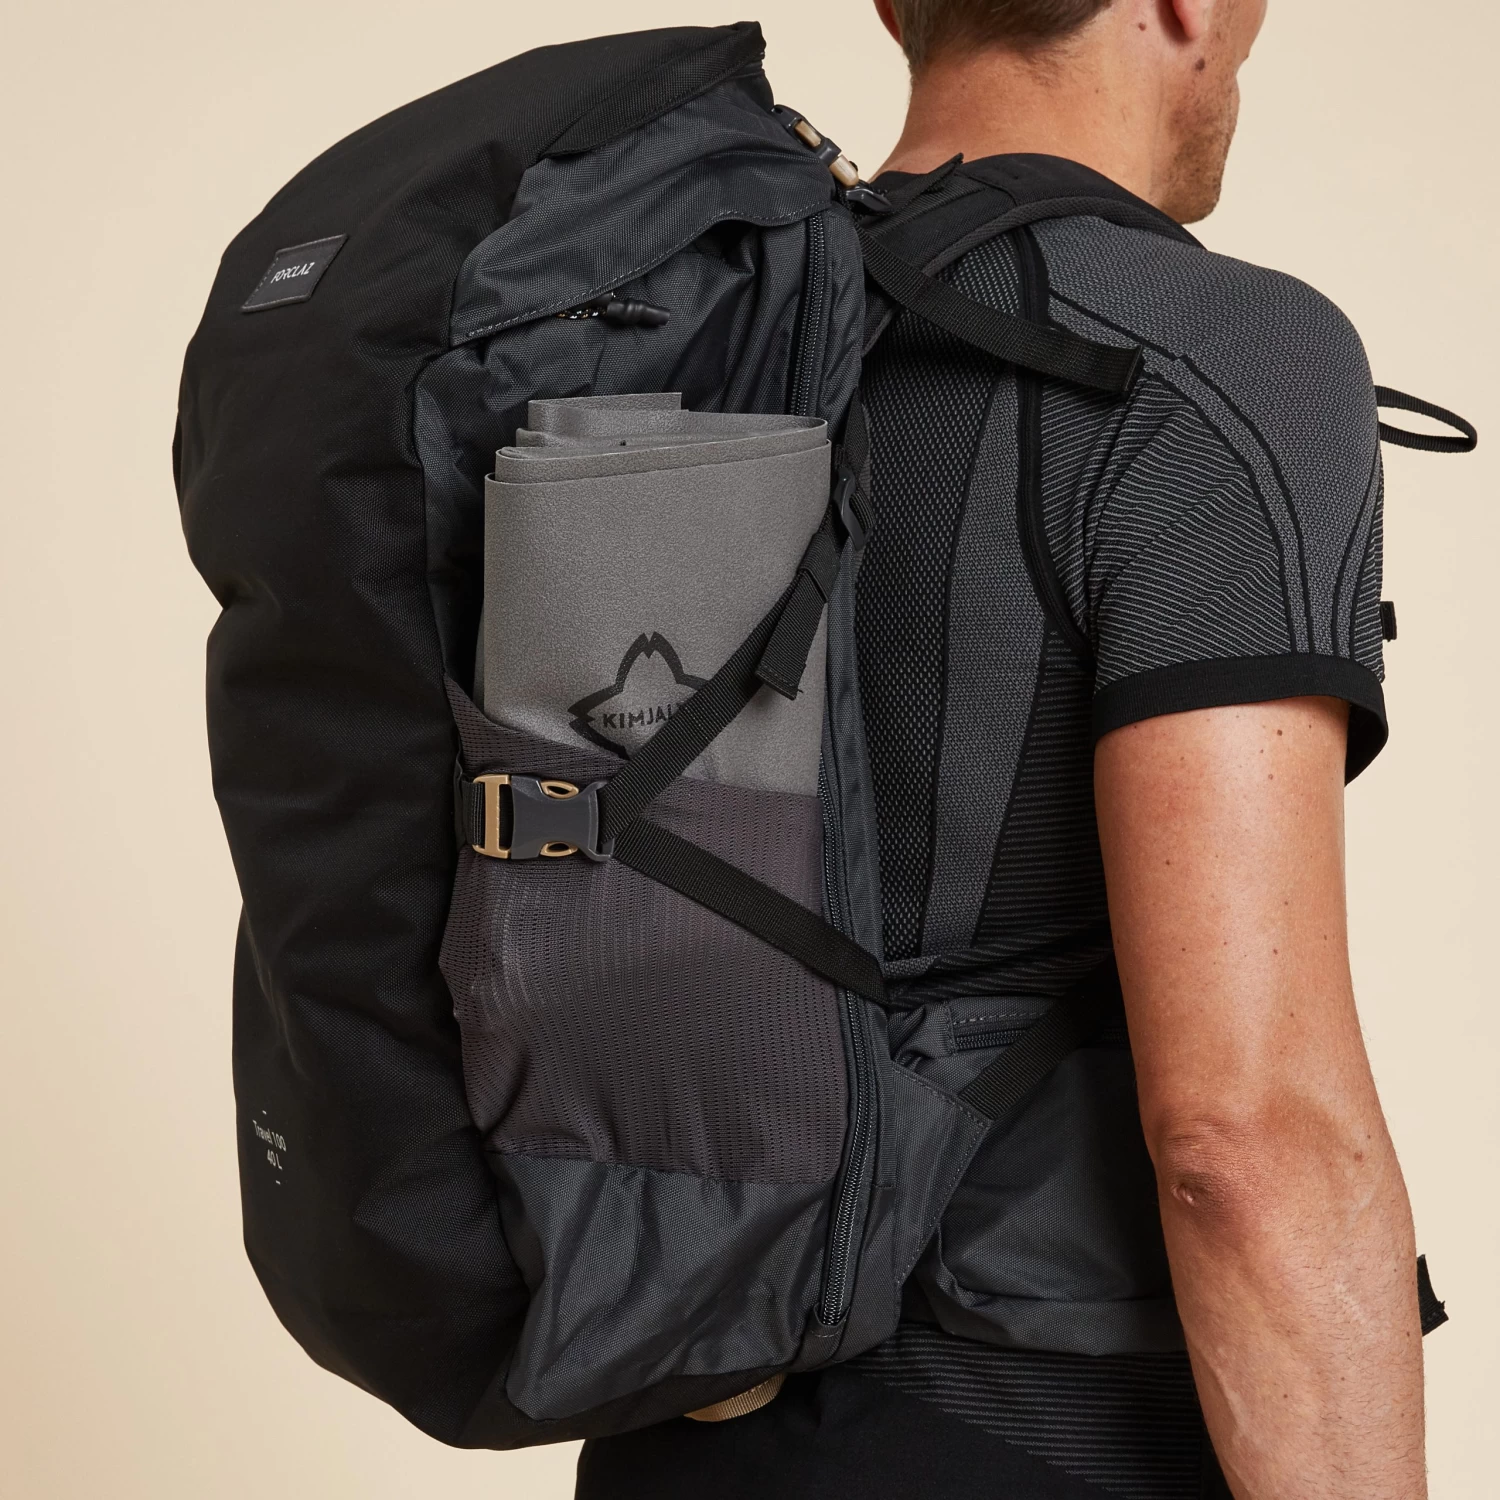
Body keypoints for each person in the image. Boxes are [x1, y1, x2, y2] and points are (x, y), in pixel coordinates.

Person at [576, 1, 1428, 1496]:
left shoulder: (682, 329)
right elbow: (1245, 1134)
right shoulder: (1212, 357)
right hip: (1036, 1432)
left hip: (680, 1411)